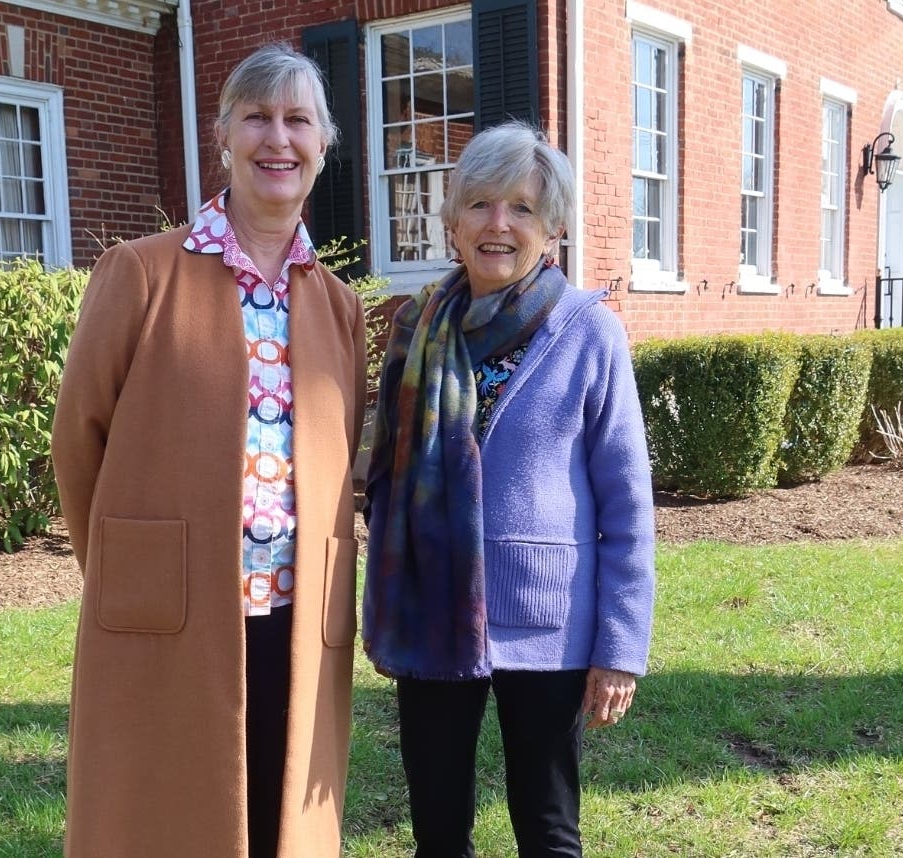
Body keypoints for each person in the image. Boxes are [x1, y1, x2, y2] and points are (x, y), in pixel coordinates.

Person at [51, 43, 365, 858]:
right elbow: (77, 441)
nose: (278, 138)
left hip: (299, 620)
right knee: (167, 823)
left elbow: (342, 456)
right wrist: (132, 568)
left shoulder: (339, 309)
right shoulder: (141, 275)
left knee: (279, 828)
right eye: (257, 117)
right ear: (223, 136)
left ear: (323, 146)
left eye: (298, 120)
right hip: (171, 625)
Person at [362, 121, 656, 858]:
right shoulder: (414, 329)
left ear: (552, 228)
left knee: (549, 830)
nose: (500, 224)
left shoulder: (590, 336)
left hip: (548, 625)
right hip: (435, 612)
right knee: (436, 829)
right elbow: (383, 473)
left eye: (523, 208)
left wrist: (620, 647)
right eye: (482, 204)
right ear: (452, 223)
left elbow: (627, 505)